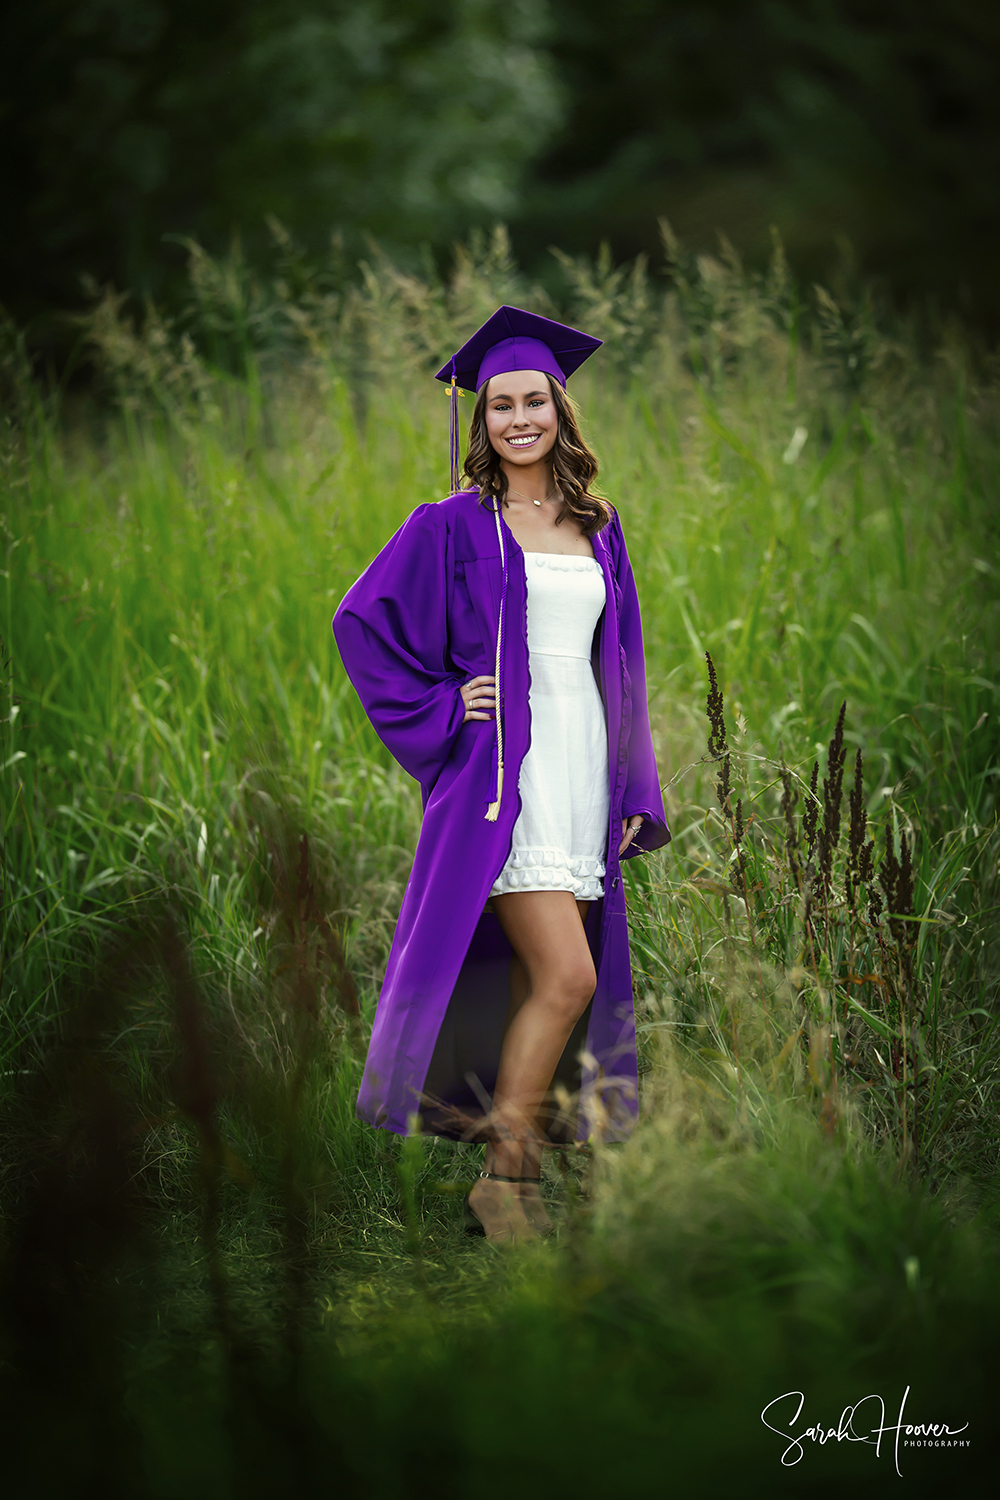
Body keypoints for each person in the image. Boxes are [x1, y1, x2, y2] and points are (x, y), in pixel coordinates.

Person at [333, 306, 669, 1244]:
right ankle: (502, 1178)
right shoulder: (448, 527)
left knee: (541, 981)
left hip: (582, 770)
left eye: (534, 401)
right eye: (500, 406)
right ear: (480, 423)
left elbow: (624, 666)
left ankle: (510, 1191)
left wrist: (637, 791)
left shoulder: (598, 529)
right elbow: (361, 626)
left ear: (560, 412)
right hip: (503, 780)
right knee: (568, 974)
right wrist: (448, 706)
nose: (518, 419)